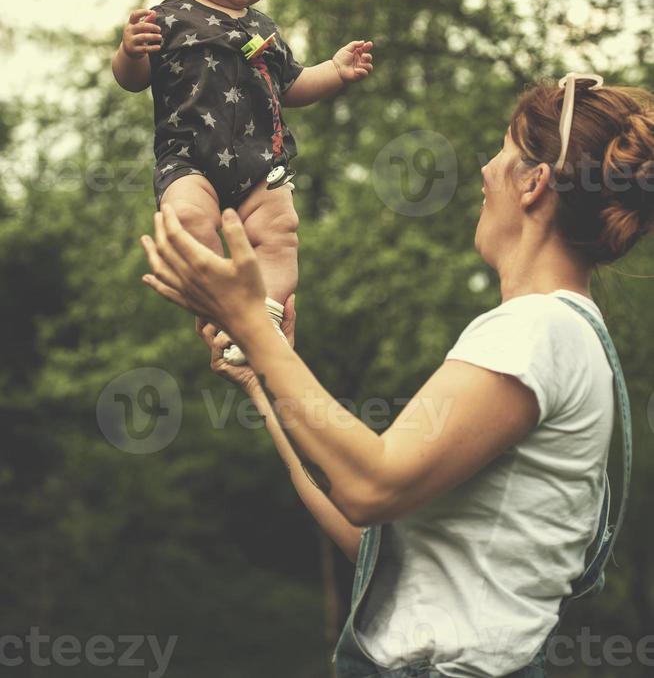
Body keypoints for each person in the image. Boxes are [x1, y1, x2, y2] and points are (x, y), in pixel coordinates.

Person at [139, 73, 652, 677]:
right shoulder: (559, 333)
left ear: (535, 183)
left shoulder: (536, 331)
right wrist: (265, 379)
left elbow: (371, 487)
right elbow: (375, 537)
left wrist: (253, 326)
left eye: (504, 151)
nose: (486, 171)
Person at [112, 0, 373, 361]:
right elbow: (132, 79)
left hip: (261, 164)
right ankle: (219, 306)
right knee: (188, 217)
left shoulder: (266, 30)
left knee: (282, 234)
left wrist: (334, 71)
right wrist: (130, 52)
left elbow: (291, 87)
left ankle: (266, 318)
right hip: (190, 161)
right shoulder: (168, 18)